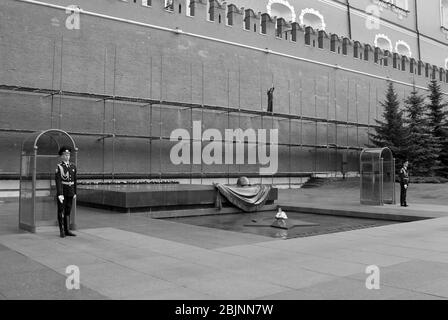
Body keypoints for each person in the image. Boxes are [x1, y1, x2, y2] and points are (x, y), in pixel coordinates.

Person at [55, 146, 77, 237]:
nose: (67, 156)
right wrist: (60, 194)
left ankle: (67, 230)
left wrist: (75, 192)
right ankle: (62, 231)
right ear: (61, 156)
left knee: (68, 211)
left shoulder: (73, 166)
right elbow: (58, 181)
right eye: (65, 155)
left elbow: (75, 180)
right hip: (63, 192)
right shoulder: (59, 167)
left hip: (70, 192)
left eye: (68, 154)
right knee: (61, 211)